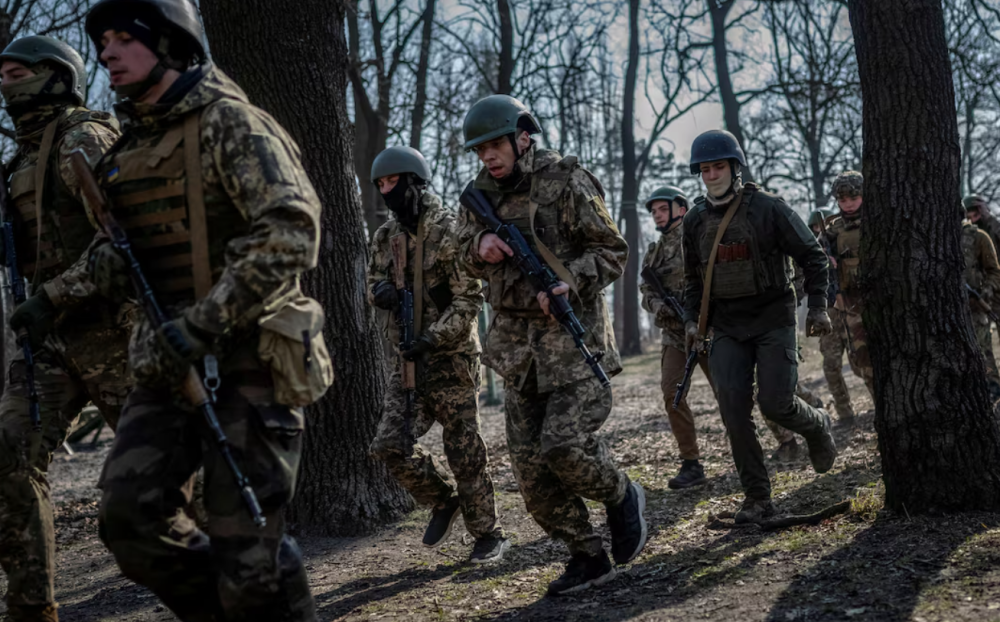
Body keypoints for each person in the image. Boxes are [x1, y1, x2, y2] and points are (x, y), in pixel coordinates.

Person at [85, 1, 333, 619]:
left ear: (170, 44)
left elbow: (292, 229)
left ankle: (266, 583)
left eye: (122, 39)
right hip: (167, 364)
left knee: (246, 553)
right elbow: (110, 256)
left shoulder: (230, 123)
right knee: (128, 518)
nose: (106, 53)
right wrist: (88, 276)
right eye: (102, 42)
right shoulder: (126, 150)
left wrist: (205, 321)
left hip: (250, 355)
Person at [456, 94, 647, 596]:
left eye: (495, 145)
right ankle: (587, 556)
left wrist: (571, 281)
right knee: (532, 480)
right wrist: (478, 247)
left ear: (523, 136)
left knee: (562, 447)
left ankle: (623, 493)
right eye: (480, 151)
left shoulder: (566, 179)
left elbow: (613, 250)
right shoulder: (478, 195)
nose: (488, 158)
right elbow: (459, 252)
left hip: (571, 343)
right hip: (517, 353)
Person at [0, 35, 128, 622]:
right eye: (1, 74)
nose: (6, 82)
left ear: (56, 76)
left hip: (111, 330)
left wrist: (53, 296)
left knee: (168, 466)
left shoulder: (85, 136)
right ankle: (32, 609)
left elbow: (121, 244)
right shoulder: (20, 159)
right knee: (8, 459)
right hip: (44, 339)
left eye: (17, 71)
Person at [681, 130, 837, 524]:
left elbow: (813, 257)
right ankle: (757, 498)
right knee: (733, 412)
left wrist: (817, 307)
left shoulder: (769, 208)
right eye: (705, 169)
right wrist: (690, 321)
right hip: (728, 326)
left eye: (718, 167)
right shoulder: (695, 220)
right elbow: (692, 280)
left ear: (734, 168)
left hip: (772, 318)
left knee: (776, 403)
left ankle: (818, 425)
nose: (712, 175)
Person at [366, 146, 508, 563]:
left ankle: (488, 535)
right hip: (406, 360)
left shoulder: (449, 230)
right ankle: (444, 502)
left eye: (392, 182)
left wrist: (431, 337)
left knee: (464, 451)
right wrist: (379, 293)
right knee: (390, 445)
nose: (386, 191)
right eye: (380, 185)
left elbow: (468, 299)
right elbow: (372, 278)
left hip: (452, 359)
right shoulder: (384, 237)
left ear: (414, 182)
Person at [825, 171, 874, 398]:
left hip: (883, 300)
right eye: (843, 200)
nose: (848, 205)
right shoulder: (832, 232)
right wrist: (826, 262)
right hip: (852, 306)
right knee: (863, 362)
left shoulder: (879, 223)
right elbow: (813, 263)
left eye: (853, 199)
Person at [807, 208, 856, 421]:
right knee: (831, 365)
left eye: (822, 227)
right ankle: (845, 412)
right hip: (829, 313)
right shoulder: (810, 253)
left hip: (851, 308)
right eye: (815, 228)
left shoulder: (844, 244)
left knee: (860, 363)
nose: (819, 232)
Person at [960, 207, 1000, 400]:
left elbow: (993, 270)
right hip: (949, 311)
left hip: (976, 306)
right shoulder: (933, 240)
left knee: (983, 351)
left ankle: (993, 391)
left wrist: (986, 291)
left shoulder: (978, 237)